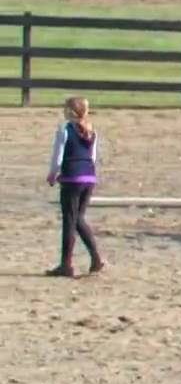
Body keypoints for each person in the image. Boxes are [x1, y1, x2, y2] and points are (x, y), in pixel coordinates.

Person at [45, 96, 104, 278]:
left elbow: (58, 155)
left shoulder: (65, 129)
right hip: (89, 177)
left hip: (72, 177)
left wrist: (53, 173)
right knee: (78, 218)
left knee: (70, 220)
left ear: (70, 111)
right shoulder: (91, 131)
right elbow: (92, 157)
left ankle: (66, 264)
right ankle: (95, 258)